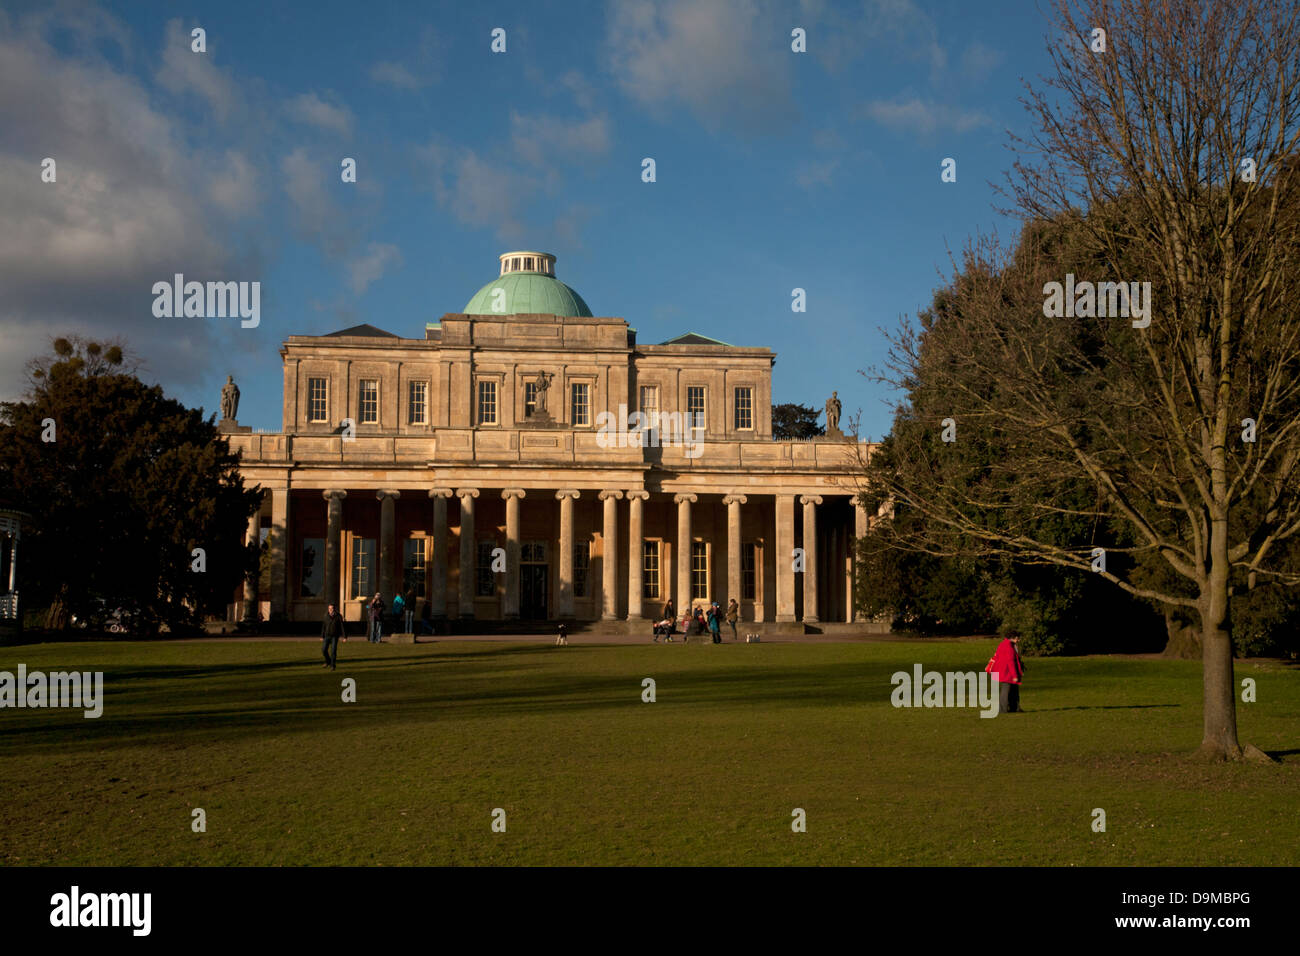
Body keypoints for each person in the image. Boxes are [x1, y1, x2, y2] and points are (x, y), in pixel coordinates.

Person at [986, 633, 1026, 714]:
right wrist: (1014, 675)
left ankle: (1014, 707)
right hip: (1007, 672)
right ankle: (1003, 709)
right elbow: (1010, 661)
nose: (1019, 640)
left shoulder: (1005, 644)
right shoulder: (1009, 646)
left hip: (1004, 671)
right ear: (1013, 638)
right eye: (1017, 638)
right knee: (1006, 691)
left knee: (1013, 690)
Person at [321, 603, 346, 670]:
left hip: (335, 636)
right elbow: (324, 626)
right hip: (327, 635)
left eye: (332, 608)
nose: (330, 610)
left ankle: (332, 665)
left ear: (334, 609)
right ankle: (328, 661)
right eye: (329, 608)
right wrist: (322, 636)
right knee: (323, 650)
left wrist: (344, 637)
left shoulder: (338, 616)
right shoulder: (326, 615)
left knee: (333, 651)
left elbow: (342, 626)